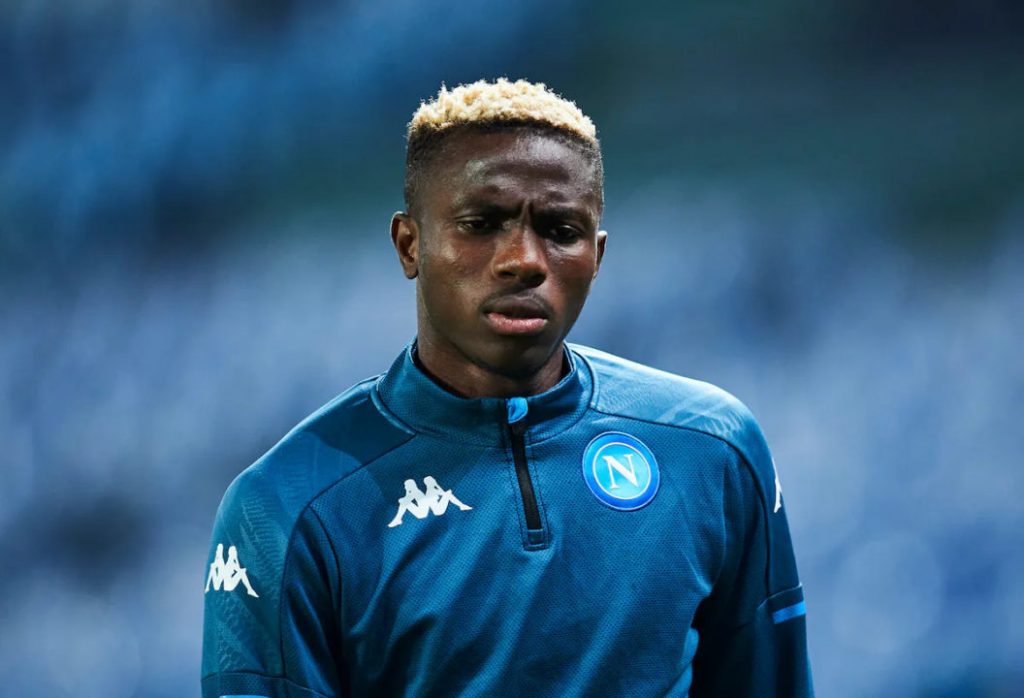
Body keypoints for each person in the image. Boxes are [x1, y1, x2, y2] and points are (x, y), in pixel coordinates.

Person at [201, 78, 813, 697]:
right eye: (481, 223)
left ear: (597, 256)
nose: (524, 259)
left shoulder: (712, 448)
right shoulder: (287, 506)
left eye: (561, 230)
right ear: (410, 244)